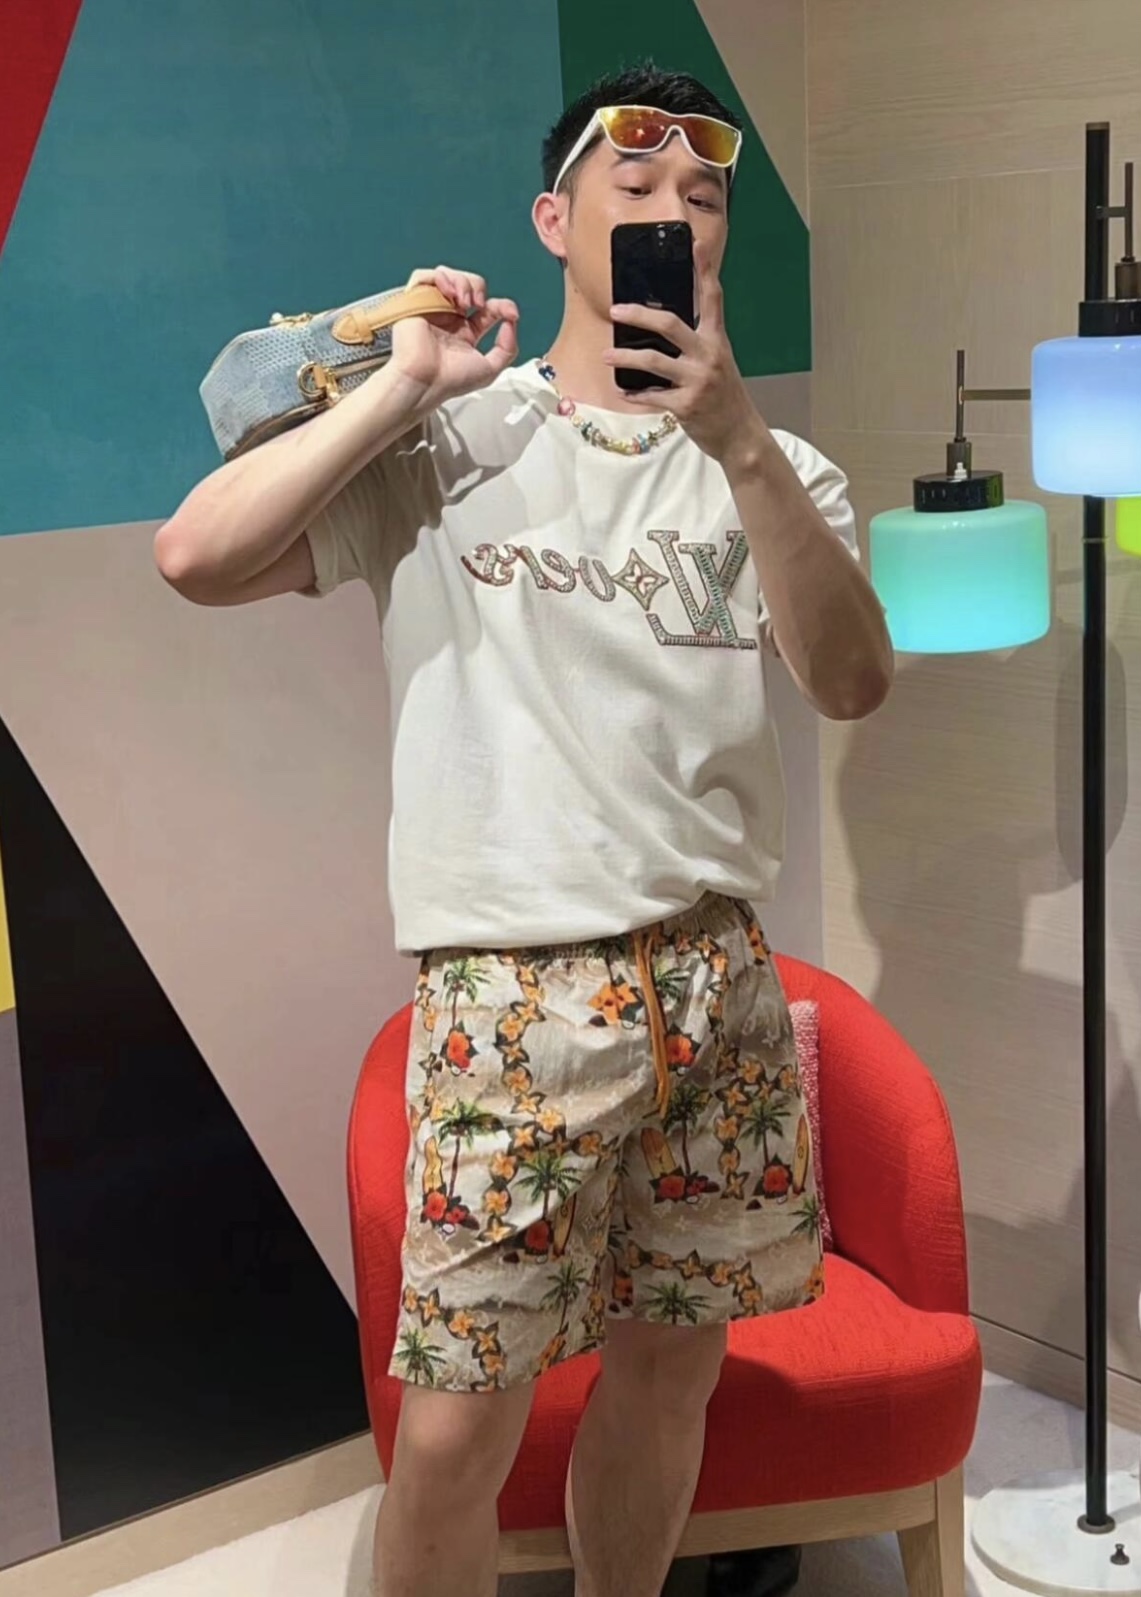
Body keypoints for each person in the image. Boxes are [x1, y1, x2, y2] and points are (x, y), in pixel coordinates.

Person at [156, 60, 892, 1597]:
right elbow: (197, 557)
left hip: (718, 981)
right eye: (637, 185)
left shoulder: (773, 468)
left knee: (670, 1375)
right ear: (554, 221)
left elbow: (850, 679)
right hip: (509, 995)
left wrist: (741, 439)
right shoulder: (449, 441)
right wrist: (401, 386)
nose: (676, 213)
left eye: (704, 197)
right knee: (451, 1429)